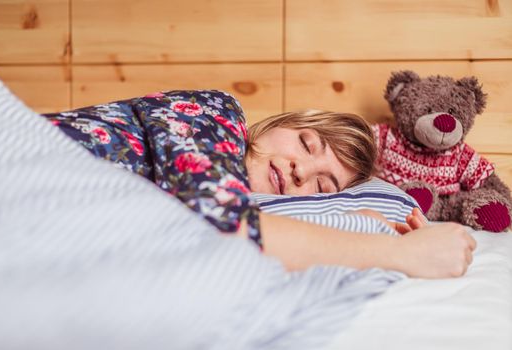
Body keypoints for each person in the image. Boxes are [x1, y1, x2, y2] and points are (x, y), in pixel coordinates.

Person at [42, 90, 476, 279]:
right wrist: (398, 253)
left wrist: (362, 219)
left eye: (323, 188)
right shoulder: (215, 111)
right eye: (306, 143)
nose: (300, 172)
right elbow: (222, 227)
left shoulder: (243, 194)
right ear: (278, 125)